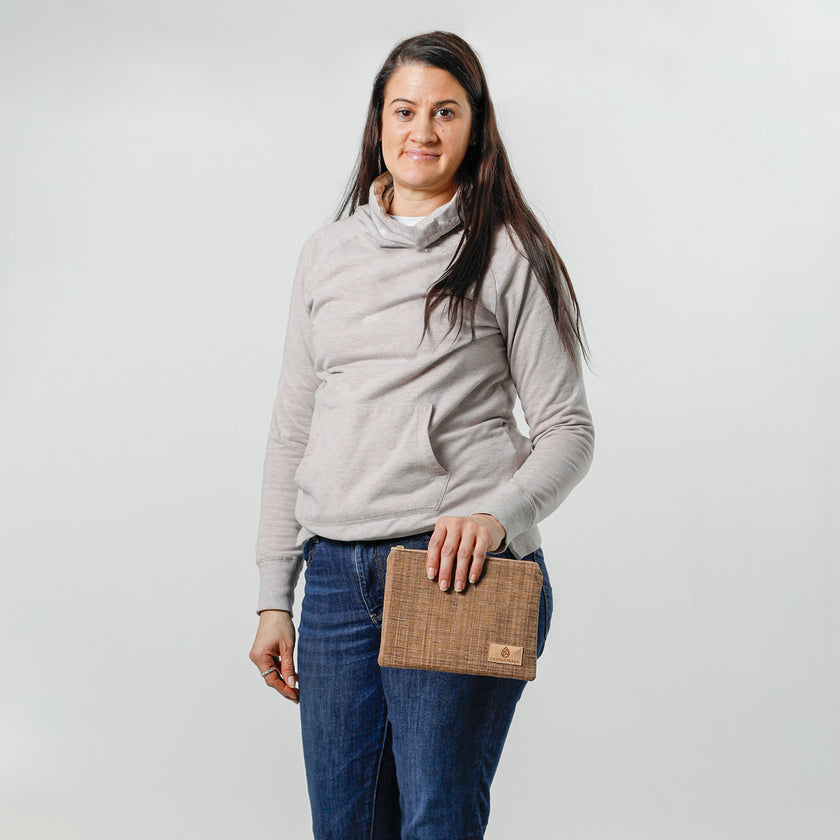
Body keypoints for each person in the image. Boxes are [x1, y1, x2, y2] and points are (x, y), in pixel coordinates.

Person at [249, 30, 595, 840]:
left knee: (436, 822)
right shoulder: (326, 254)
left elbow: (568, 429)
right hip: (335, 578)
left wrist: (497, 516)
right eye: (404, 111)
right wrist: (273, 595)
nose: (423, 131)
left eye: (445, 112)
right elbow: (292, 432)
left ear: (476, 126)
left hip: (453, 569)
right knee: (346, 828)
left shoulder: (507, 253)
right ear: (379, 123)